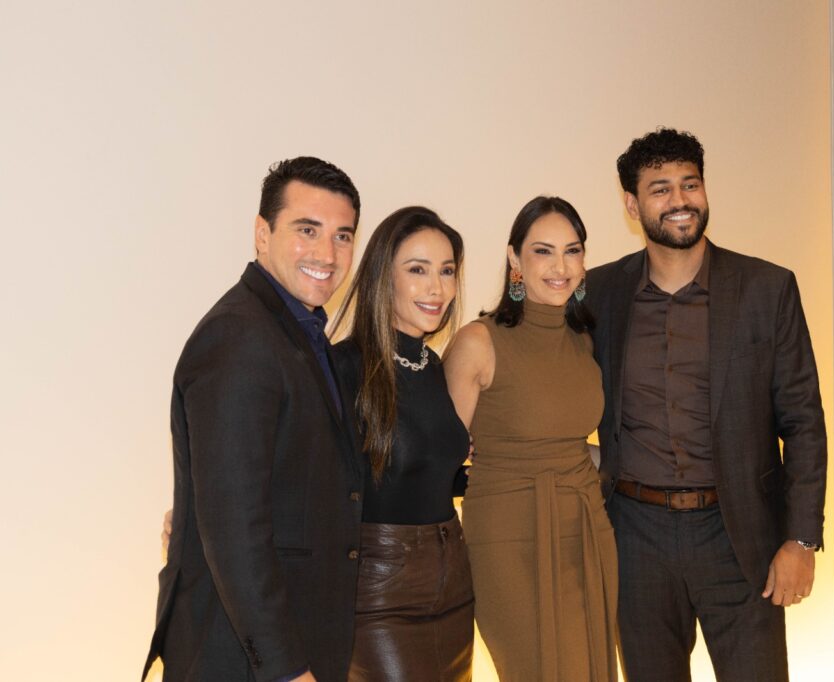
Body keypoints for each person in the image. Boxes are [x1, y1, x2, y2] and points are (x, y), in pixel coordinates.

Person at [586, 128, 827, 681]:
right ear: (632, 206)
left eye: (690, 184)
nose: (680, 200)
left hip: (739, 534)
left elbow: (804, 423)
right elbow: (534, 338)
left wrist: (801, 538)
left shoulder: (766, 288)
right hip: (634, 535)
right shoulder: (599, 293)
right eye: (660, 189)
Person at [142, 157, 365, 682]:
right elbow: (235, 531)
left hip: (291, 641)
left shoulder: (296, 331)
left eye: (342, 236)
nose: (327, 254)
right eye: (307, 230)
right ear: (262, 234)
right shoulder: (239, 337)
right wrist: (286, 669)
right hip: (242, 657)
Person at [444, 196, 618, 682]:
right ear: (514, 258)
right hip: (510, 538)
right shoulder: (479, 341)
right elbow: (438, 457)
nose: (560, 267)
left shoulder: (583, 341)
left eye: (572, 251)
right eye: (543, 251)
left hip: (587, 527)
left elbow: (564, 442)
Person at [330, 206, 474, 681]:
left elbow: (429, 474)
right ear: (383, 277)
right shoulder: (344, 367)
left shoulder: (433, 366)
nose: (437, 288)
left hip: (454, 583)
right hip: (381, 594)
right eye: (417, 270)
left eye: (447, 271)